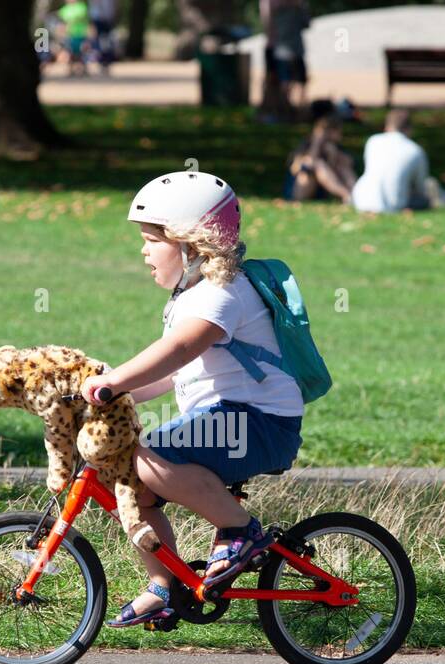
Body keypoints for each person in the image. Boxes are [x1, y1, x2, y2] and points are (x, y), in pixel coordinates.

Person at [79, 172, 306, 627]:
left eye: (150, 240)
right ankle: (167, 585)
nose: (143, 251)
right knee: (135, 485)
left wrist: (116, 378)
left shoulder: (224, 293)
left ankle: (242, 530)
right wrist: (108, 396)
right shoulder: (193, 294)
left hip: (260, 424)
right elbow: (176, 372)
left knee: (152, 457)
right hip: (228, 421)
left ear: (190, 243)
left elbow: (180, 350)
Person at [350, 109, 439, 213]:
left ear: (387, 126)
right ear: (409, 129)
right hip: (392, 204)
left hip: (361, 199)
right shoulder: (415, 150)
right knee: (425, 200)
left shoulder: (373, 141)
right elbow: (420, 188)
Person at [285, 114, 356, 203]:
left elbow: (349, 163)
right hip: (299, 190)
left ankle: (355, 195)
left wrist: (333, 155)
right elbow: (299, 167)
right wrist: (316, 143)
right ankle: (347, 195)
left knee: (343, 168)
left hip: (323, 190)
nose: (340, 135)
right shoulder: (305, 147)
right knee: (318, 164)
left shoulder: (335, 148)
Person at [262, 0, 310, 122]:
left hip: (288, 50)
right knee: (285, 84)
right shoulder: (281, 8)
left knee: (295, 83)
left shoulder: (296, 7)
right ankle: (286, 113)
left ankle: (294, 113)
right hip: (284, 50)